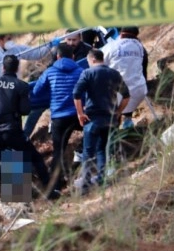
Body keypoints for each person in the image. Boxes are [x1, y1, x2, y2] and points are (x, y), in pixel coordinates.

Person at [0, 55, 56, 204]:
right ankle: (48, 191)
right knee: (33, 157)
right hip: (12, 130)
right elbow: (25, 110)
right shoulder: (21, 85)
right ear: (16, 69)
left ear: (3, 67)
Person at [73, 49, 129, 194]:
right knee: (101, 150)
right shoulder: (114, 73)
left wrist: (80, 114)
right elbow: (126, 96)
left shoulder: (88, 73)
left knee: (88, 152)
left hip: (93, 119)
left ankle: (85, 185)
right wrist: (118, 112)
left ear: (91, 60)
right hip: (110, 119)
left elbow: (76, 94)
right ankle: (101, 180)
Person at [32, 43, 83, 191]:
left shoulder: (50, 72)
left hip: (59, 117)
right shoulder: (80, 70)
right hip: (77, 114)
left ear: (58, 56)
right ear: (73, 56)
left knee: (58, 152)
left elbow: (36, 92)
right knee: (95, 131)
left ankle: (54, 186)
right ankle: (89, 163)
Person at [101, 26, 148, 129]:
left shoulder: (111, 46)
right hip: (139, 91)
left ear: (121, 34)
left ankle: (113, 127)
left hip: (118, 95)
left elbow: (97, 64)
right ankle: (127, 120)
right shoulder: (140, 47)